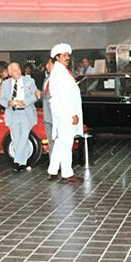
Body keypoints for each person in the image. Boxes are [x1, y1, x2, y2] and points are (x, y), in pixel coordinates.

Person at [47, 43, 84, 183]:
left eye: (68, 55)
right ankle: (67, 173)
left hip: (61, 111)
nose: (67, 58)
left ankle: (52, 170)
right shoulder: (59, 72)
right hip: (65, 112)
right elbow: (64, 96)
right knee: (66, 143)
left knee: (60, 142)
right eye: (64, 55)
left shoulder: (60, 71)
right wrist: (72, 114)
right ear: (57, 57)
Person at [0, 62, 38, 172]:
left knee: (24, 138)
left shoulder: (29, 81)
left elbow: (35, 96)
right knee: (16, 139)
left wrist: (24, 102)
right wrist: (8, 103)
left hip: (26, 113)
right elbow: (1, 99)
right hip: (12, 114)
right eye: (14, 70)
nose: (18, 72)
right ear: (10, 73)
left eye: (18, 69)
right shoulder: (6, 84)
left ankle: (18, 162)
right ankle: (24, 162)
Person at [35, 58, 55, 168]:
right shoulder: (46, 79)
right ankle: (53, 164)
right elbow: (45, 97)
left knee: (58, 141)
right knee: (50, 141)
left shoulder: (59, 79)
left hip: (56, 115)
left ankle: (60, 164)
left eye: (48, 64)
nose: (46, 66)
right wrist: (39, 95)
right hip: (47, 115)